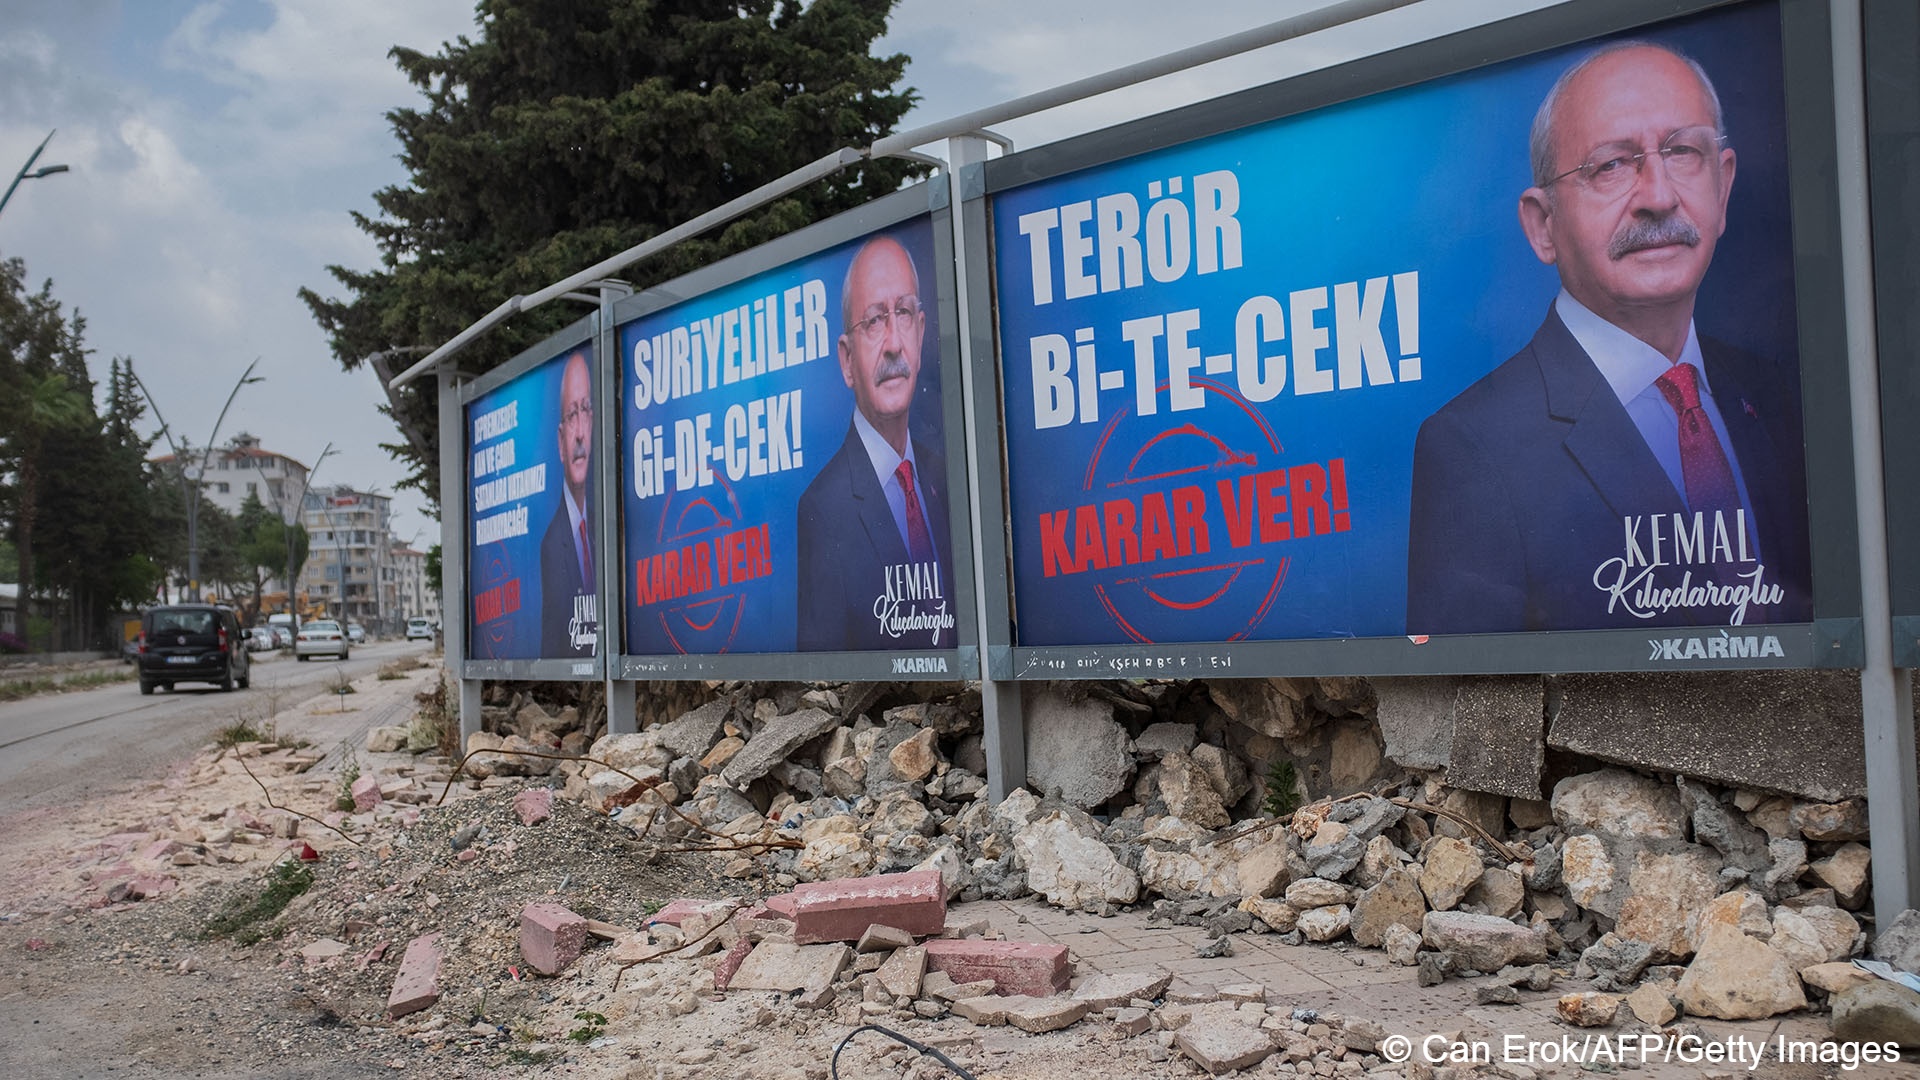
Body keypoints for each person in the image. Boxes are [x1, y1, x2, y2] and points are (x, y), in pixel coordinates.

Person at [1406, 42, 1810, 633]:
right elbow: (1471, 709)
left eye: (1682, 152)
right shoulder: (1471, 449)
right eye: (1611, 166)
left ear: (1723, 190)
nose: (1658, 196)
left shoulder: (1781, 394)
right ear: (1543, 226)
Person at [795, 235, 958, 650]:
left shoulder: (945, 479)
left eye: (902, 313)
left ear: (920, 334)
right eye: (873, 321)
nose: (893, 344)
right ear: (847, 360)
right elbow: (823, 680)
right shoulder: (823, 508)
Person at [540, 349, 597, 656]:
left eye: (585, 410)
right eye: (571, 414)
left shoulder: (608, 526)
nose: (578, 434)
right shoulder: (551, 545)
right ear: (561, 441)